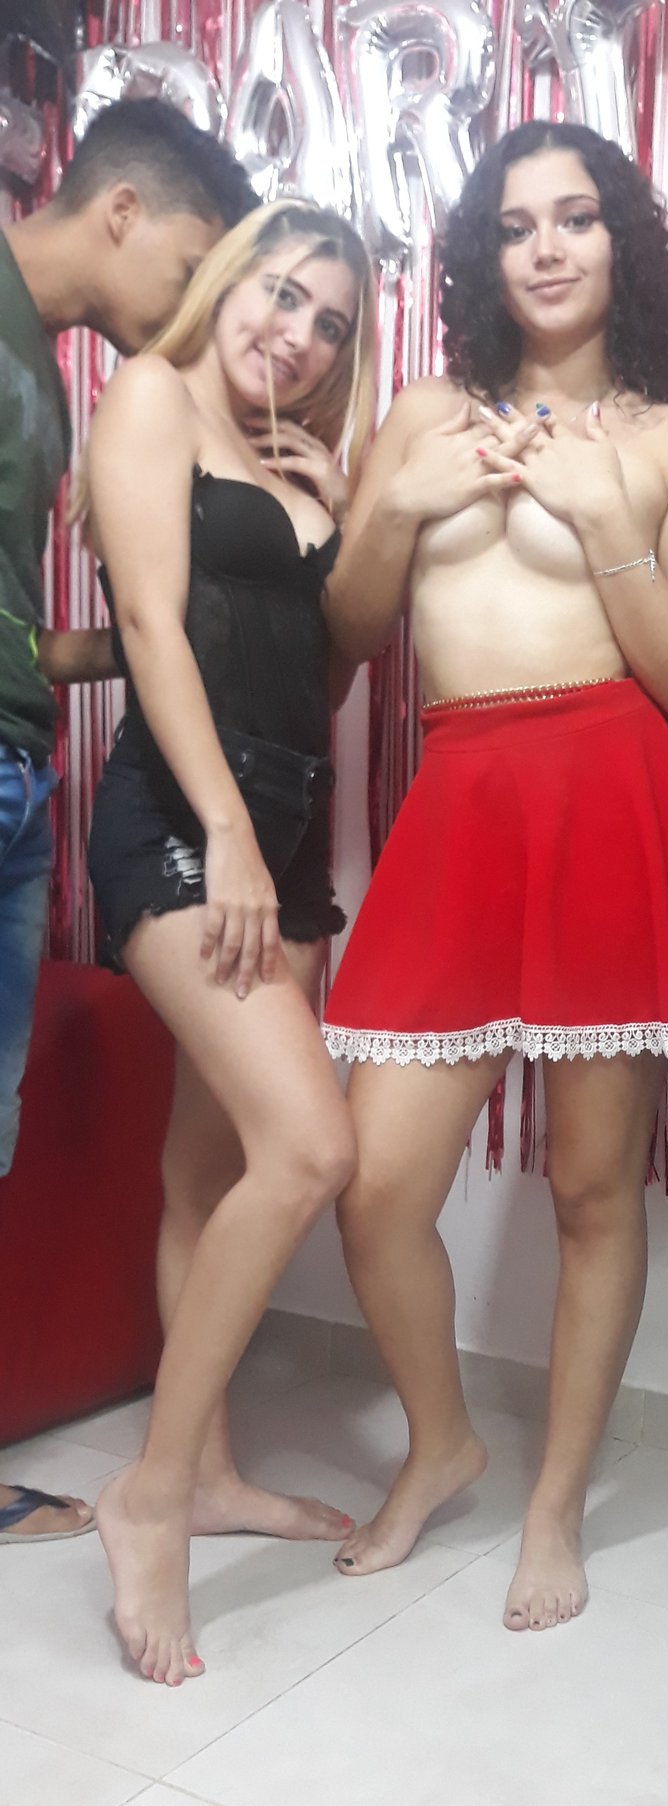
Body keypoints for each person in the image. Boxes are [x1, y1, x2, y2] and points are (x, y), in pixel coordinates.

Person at [320, 120, 668, 1631]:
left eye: (576, 217)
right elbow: (349, 633)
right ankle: (443, 1443)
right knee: (375, 1186)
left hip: (611, 790)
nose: (547, 247)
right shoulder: (428, 411)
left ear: (623, 240)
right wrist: (396, 503)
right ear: (481, 255)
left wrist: (611, 523)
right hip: (462, 795)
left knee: (589, 1185)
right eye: (515, 225)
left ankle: (554, 1506)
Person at [83, 200, 377, 1683]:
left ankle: (203, 1475)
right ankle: (148, 1492)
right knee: (312, 1150)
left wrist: (340, 508)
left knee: (209, 1173)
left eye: (331, 321)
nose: (298, 334)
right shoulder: (150, 395)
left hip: (289, 830)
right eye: (281, 291)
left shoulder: (290, 461)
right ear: (227, 275)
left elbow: (319, 680)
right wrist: (230, 834)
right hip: (189, 822)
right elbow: (149, 623)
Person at [0, 99, 254, 1545]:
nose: (197, 302)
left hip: (18, 771)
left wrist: (147, 640)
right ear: (120, 212)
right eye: (192, 263)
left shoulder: (48, 372)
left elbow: (20, 637)